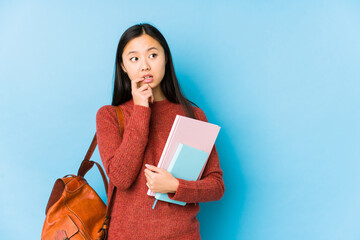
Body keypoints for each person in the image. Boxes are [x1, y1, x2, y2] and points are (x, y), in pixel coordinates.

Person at [96, 23, 225, 240]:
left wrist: (175, 186)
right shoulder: (109, 116)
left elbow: (216, 186)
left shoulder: (192, 115)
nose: (144, 66)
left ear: (165, 58)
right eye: (134, 58)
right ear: (124, 67)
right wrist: (141, 109)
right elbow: (120, 178)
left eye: (153, 55)